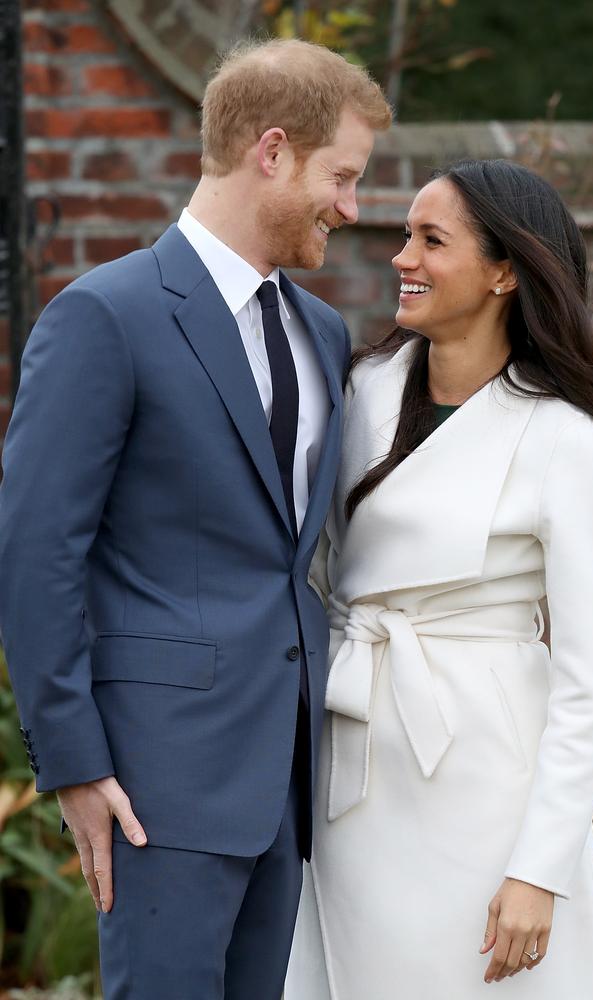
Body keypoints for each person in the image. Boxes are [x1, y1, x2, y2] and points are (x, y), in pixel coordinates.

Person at [0, 39, 391, 999]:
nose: (352, 206)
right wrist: (75, 765)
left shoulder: (322, 329)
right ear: (271, 151)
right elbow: (36, 549)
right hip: (153, 784)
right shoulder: (105, 315)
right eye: (340, 176)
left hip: (288, 774)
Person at [285, 159, 593, 999]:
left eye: (431, 239)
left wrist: (541, 868)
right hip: (355, 765)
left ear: (505, 271)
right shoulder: (358, 391)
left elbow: (582, 685)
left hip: (490, 789)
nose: (401, 257)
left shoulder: (564, 441)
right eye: (407, 235)